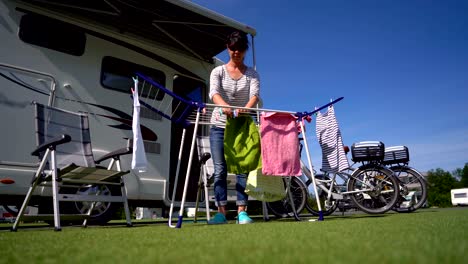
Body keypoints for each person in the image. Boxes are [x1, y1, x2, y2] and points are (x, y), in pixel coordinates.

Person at [208, 31, 260, 225]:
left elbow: (254, 96)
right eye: (232, 48)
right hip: (219, 126)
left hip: (241, 128)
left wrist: (244, 111)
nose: (236, 52)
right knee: (220, 169)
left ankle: (241, 212)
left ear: (245, 50)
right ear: (227, 48)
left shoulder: (252, 74)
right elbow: (213, 92)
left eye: (240, 48)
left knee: (241, 169)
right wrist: (225, 107)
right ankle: (221, 212)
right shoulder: (218, 72)